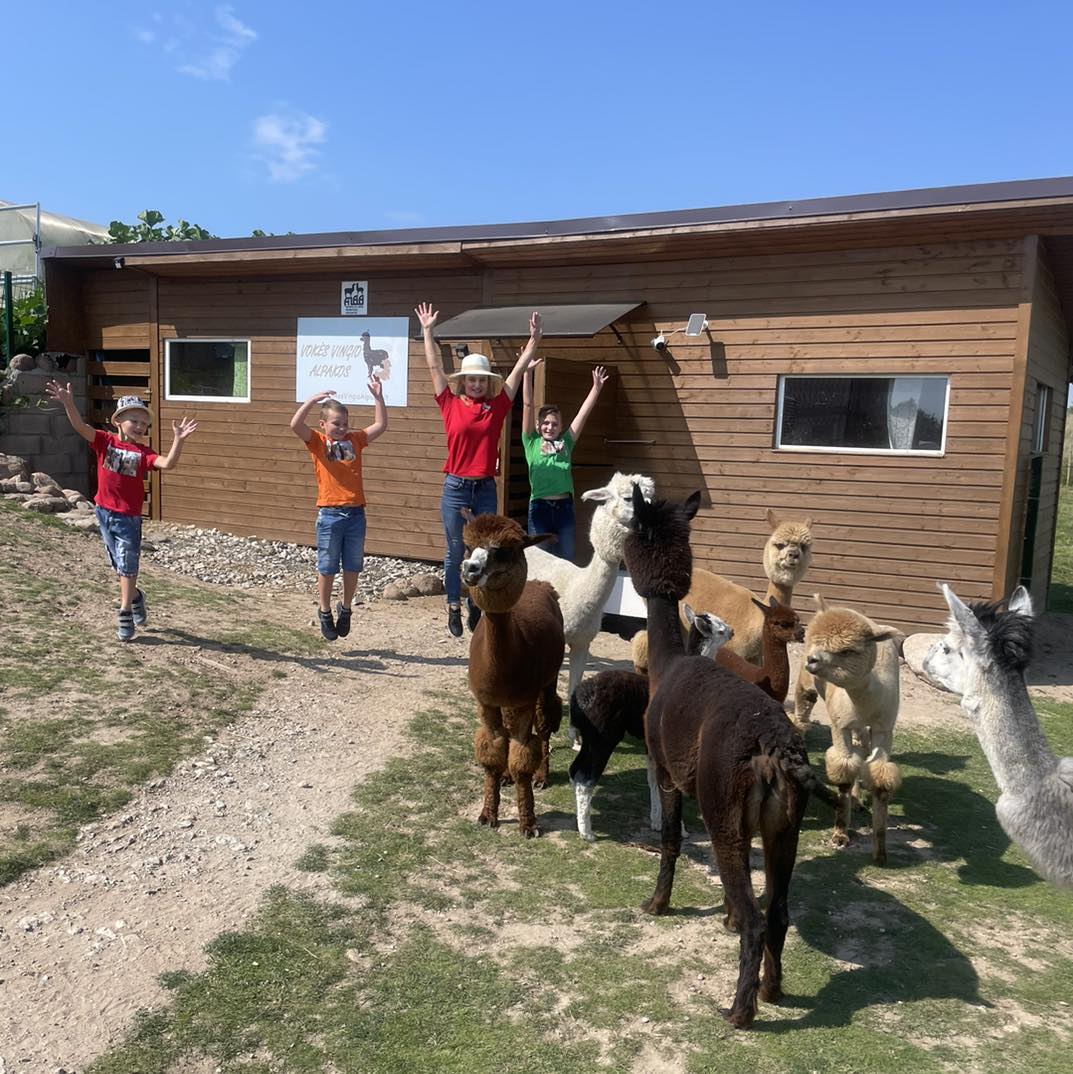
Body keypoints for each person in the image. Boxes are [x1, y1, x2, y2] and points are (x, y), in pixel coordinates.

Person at [415, 301, 542, 638]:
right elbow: (433, 366)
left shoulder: (496, 408)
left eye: (481, 380)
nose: (476, 385)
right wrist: (427, 331)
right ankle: (453, 605)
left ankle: (477, 604)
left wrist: (533, 341)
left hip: (484, 487)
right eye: (471, 380)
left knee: (482, 551)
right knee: (455, 550)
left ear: (487, 383)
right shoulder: (449, 403)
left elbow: (515, 375)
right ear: (464, 382)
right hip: (456, 487)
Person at [44, 383, 198, 641]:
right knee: (118, 565)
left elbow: (168, 463)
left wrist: (178, 441)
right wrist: (69, 403)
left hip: (128, 518)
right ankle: (136, 596)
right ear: (117, 421)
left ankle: (125, 611)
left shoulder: (144, 453)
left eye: (144, 424)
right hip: (104, 513)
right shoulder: (104, 441)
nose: (140, 426)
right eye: (134, 420)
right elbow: (80, 427)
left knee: (127, 564)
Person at [290, 377, 387, 641]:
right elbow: (295, 425)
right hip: (330, 514)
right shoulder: (318, 441)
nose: (342, 428)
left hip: (356, 513)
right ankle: (324, 610)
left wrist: (378, 398)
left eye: (345, 423)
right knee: (327, 565)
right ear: (323, 424)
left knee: (353, 565)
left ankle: (345, 608)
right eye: (336, 423)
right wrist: (311, 401)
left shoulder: (356, 440)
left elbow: (380, 425)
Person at [521, 362, 609, 560]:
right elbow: (527, 405)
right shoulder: (531, 442)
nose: (549, 427)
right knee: (540, 559)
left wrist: (596, 388)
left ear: (560, 427)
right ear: (538, 425)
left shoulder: (566, 443)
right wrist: (527, 373)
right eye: (545, 423)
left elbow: (582, 415)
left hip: (564, 509)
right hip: (539, 509)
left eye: (554, 424)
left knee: (567, 559)